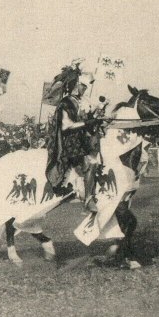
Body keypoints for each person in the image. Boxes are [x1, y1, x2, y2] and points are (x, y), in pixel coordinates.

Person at [45, 62, 100, 212]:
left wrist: (95, 118)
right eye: (83, 86)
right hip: (69, 142)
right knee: (90, 164)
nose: (84, 89)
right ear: (76, 85)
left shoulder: (78, 102)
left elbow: (84, 120)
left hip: (81, 140)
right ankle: (88, 199)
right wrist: (86, 122)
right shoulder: (66, 102)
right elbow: (66, 126)